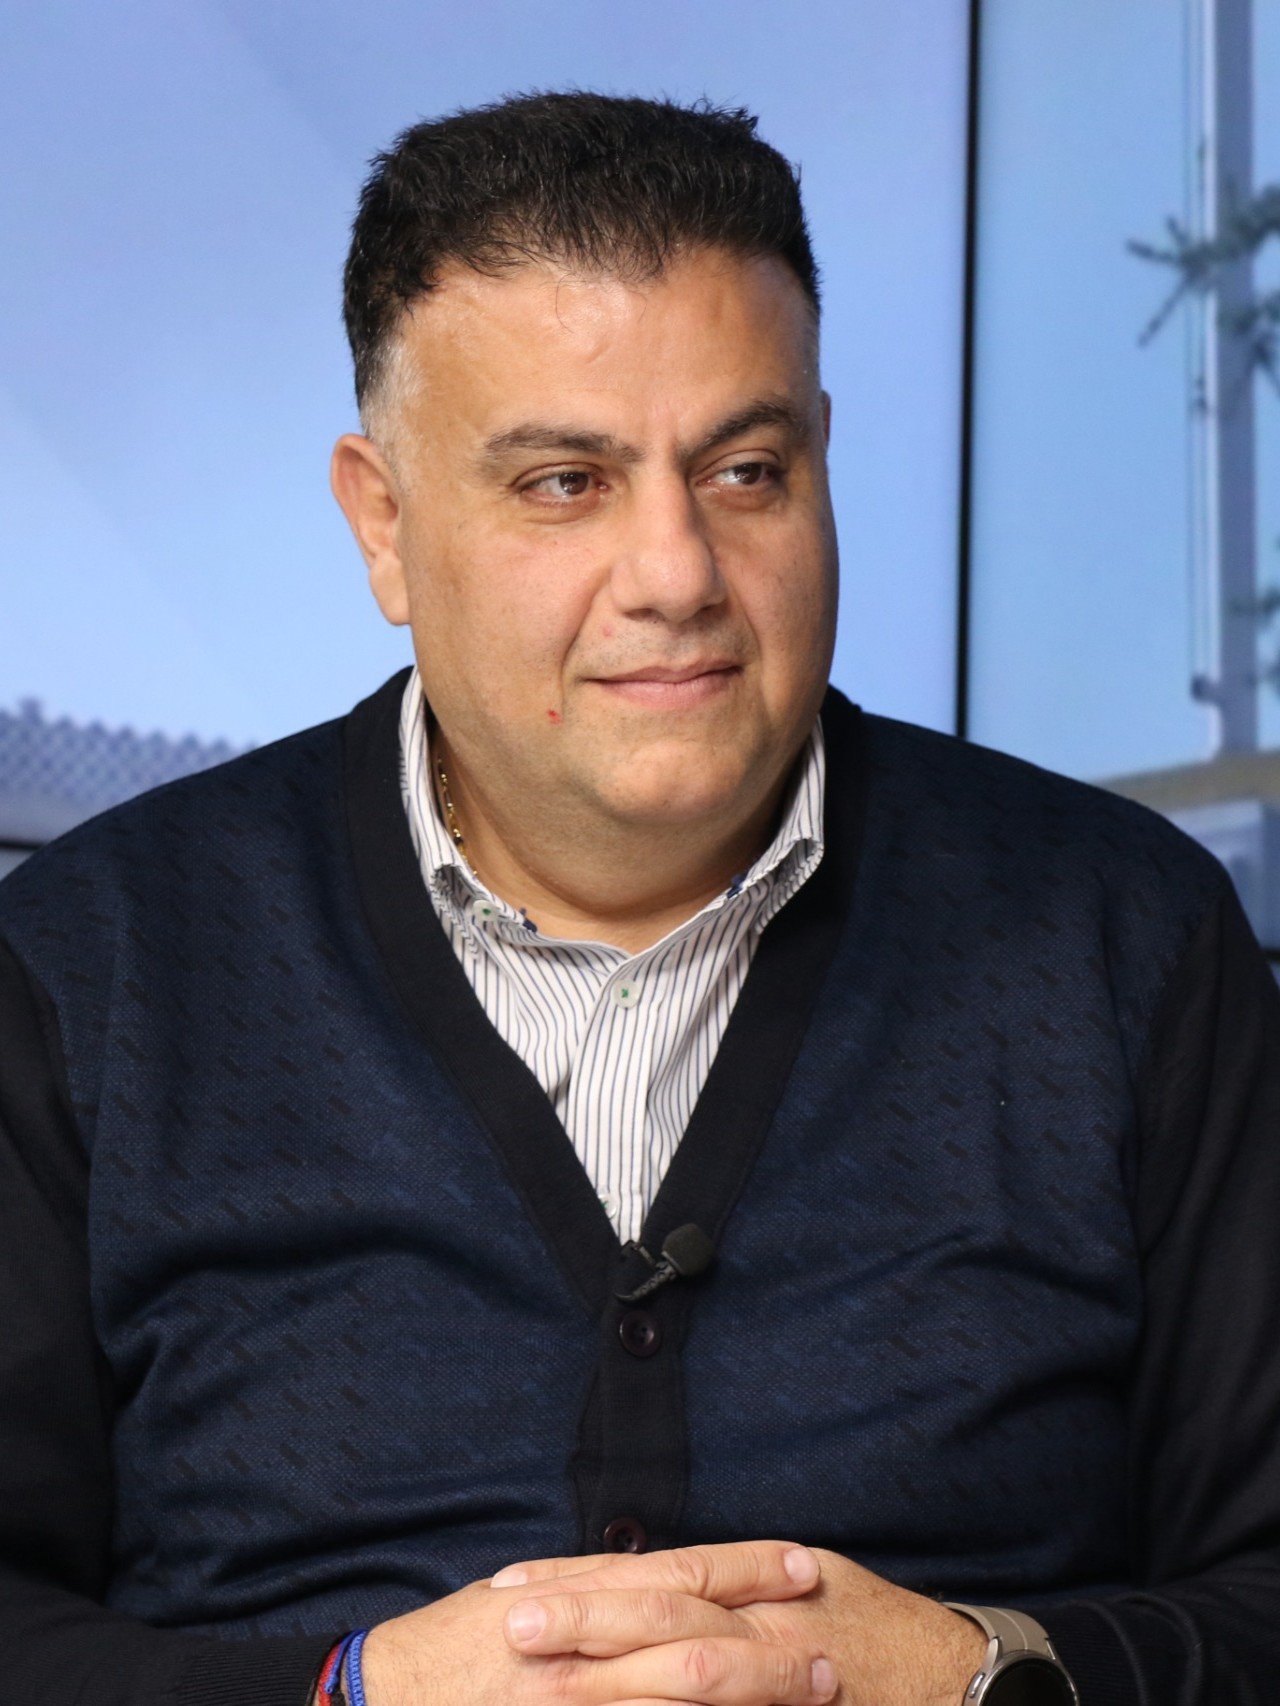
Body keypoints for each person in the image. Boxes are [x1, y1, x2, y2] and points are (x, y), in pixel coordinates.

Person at [0, 90, 1277, 1706]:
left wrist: (985, 1674)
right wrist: (345, 1693)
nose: (676, 573)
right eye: (564, 482)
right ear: (384, 523)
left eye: (746, 469)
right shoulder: (94, 970)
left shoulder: (1127, 945)